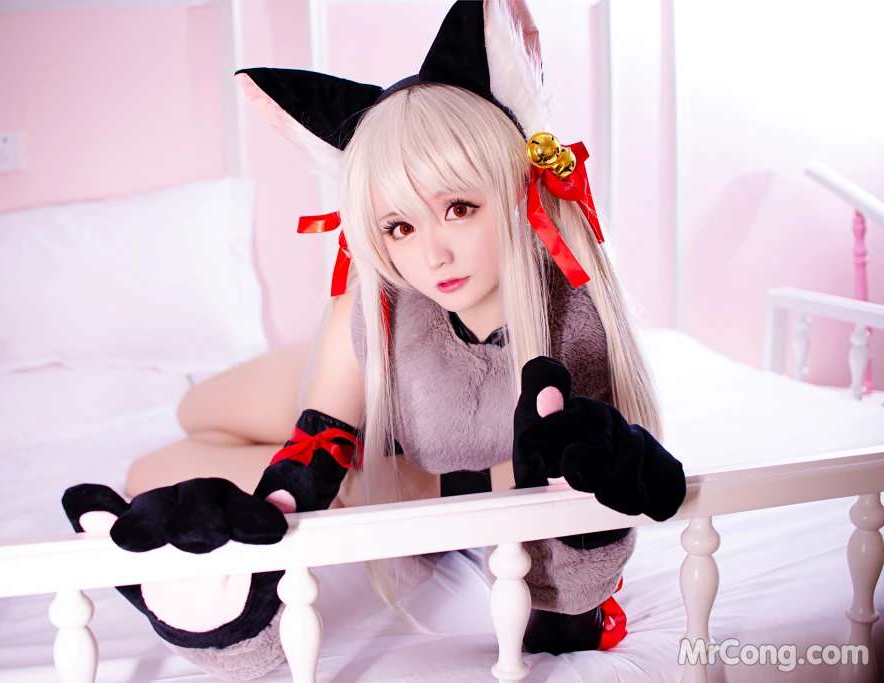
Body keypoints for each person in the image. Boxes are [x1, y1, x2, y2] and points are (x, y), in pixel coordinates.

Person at [61, 1, 686, 679]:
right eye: (400, 227)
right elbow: (319, 438)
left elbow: (571, 524)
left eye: (459, 208)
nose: (434, 255)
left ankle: (373, 474)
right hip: (370, 397)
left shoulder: (570, 305)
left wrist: (433, 494)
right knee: (191, 414)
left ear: (515, 191)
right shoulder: (379, 301)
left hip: (401, 466)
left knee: (154, 469)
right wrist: (300, 491)